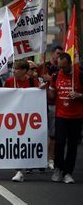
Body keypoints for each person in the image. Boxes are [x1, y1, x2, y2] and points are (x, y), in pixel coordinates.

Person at [48, 53, 83, 184]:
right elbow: (51, 95)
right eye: (60, 67)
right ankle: (58, 169)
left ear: (70, 63)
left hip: (76, 116)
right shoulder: (56, 75)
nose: (62, 69)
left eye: (64, 67)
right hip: (61, 115)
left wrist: (79, 95)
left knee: (73, 145)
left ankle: (68, 172)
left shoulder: (80, 74)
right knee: (59, 143)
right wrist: (46, 85)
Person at [3, 60, 39, 182]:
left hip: (28, 118)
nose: (14, 71)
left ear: (24, 70)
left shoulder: (32, 81)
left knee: (26, 142)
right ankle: (18, 171)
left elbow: (37, 96)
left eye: (17, 69)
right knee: (15, 143)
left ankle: (27, 164)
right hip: (13, 118)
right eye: (13, 68)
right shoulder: (9, 81)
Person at [38, 45, 63, 170]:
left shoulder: (61, 69)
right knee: (40, 132)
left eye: (61, 54)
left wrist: (51, 78)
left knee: (52, 134)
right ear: (52, 53)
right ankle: (40, 158)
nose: (59, 56)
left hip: (54, 104)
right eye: (58, 53)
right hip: (41, 104)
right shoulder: (43, 67)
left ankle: (50, 158)